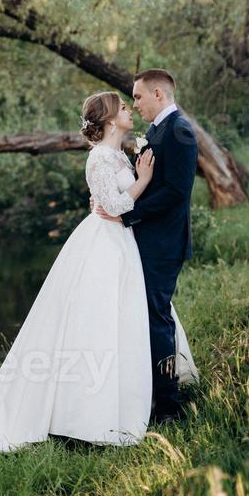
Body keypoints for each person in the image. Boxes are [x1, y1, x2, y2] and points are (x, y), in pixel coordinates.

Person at [0, 90, 198, 481]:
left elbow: (119, 198)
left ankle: (144, 394)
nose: (129, 110)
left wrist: (139, 176)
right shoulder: (99, 157)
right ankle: (92, 412)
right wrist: (146, 179)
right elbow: (119, 207)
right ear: (108, 120)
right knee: (99, 324)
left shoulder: (121, 154)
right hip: (105, 242)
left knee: (128, 317)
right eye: (123, 107)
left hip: (124, 244)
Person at [94, 68, 199, 423]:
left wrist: (128, 214)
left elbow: (176, 192)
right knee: (146, 316)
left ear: (159, 94)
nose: (134, 103)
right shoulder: (157, 130)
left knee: (157, 319)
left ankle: (168, 405)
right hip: (146, 240)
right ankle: (151, 392)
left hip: (163, 243)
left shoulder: (180, 131)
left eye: (138, 97)